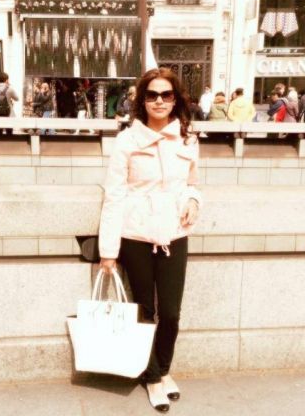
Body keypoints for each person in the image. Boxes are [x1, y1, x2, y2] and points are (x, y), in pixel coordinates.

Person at [99, 67, 201, 413]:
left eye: (166, 94)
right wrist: (108, 251)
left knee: (171, 312)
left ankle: (164, 368)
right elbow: (114, 195)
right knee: (145, 310)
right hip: (136, 235)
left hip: (174, 233)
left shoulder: (187, 139)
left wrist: (192, 200)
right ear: (142, 100)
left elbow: (193, 183)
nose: (159, 100)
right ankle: (153, 376)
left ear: (176, 99)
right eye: (152, 95)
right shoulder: (127, 140)